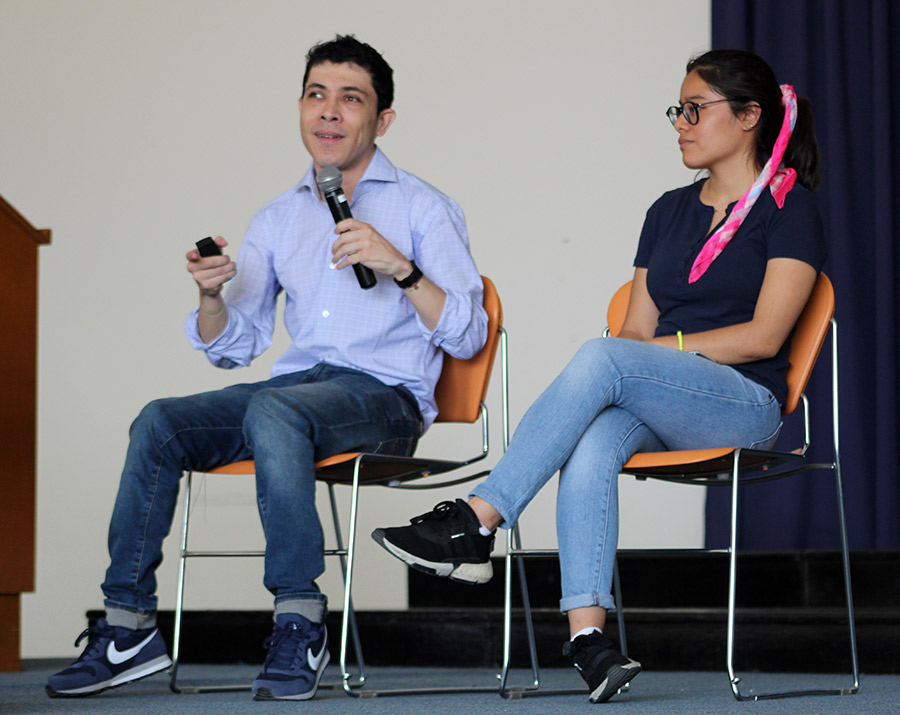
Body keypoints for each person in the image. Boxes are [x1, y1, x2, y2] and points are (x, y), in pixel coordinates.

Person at [373, 49, 825, 704]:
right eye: (679, 110)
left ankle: (479, 516)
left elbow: (764, 336)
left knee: (603, 355)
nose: (681, 123)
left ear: (751, 115)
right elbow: (635, 335)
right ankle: (590, 639)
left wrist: (666, 351)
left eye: (696, 110)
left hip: (743, 402)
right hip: (666, 393)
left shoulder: (790, 208)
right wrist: (653, 355)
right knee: (590, 442)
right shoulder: (666, 211)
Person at [46, 35, 487, 701]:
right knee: (160, 422)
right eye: (316, 95)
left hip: (385, 401)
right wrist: (211, 295)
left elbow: (470, 332)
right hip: (294, 394)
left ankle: (299, 617)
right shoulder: (280, 217)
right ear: (301, 110)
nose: (329, 112)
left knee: (274, 410)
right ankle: (128, 624)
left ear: (382, 120)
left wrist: (403, 266)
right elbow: (235, 345)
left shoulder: (423, 207)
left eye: (350, 98)